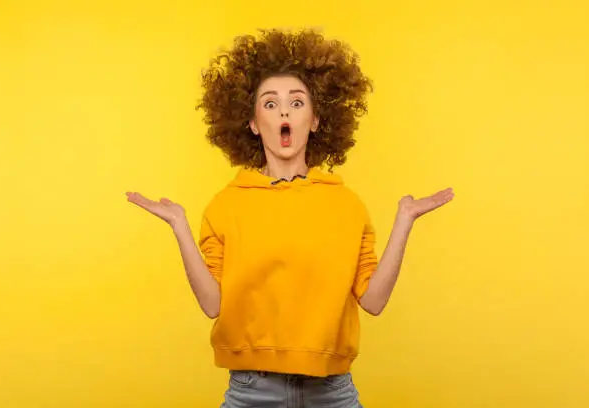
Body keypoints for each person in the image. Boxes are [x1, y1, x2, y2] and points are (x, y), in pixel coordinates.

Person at [126, 29, 454, 408]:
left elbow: (375, 300)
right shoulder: (225, 205)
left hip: (332, 391)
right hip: (252, 391)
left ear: (315, 120)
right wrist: (179, 226)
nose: (284, 111)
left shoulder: (346, 205)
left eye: (296, 103)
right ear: (251, 123)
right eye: (270, 103)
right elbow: (213, 305)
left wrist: (404, 220)